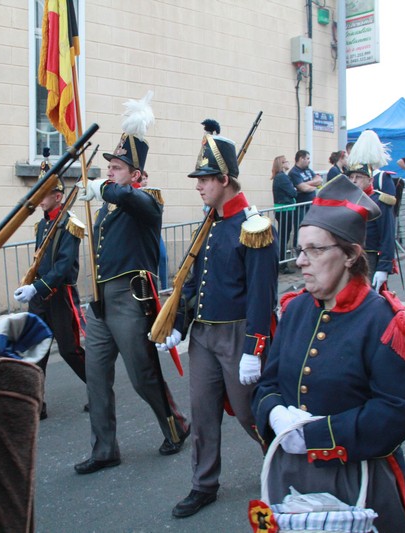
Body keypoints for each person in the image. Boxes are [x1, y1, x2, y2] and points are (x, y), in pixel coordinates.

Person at [252, 175, 405, 533]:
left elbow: (398, 411)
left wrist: (316, 435)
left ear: (351, 255)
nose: (301, 261)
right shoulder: (296, 309)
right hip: (291, 473)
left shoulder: (384, 320)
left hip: (358, 477)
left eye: (315, 250)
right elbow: (267, 384)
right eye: (300, 250)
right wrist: (274, 414)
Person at [160, 128, 278, 518]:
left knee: (249, 413)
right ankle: (203, 484)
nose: (199, 186)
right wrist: (179, 325)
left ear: (224, 179)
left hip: (237, 334)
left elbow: (262, 296)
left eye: (205, 179)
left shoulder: (253, 226)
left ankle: (284, 461)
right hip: (203, 335)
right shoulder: (211, 223)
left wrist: (254, 348)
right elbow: (194, 280)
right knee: (203, 413)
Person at [74, 93, 188, 475]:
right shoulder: (109, 208)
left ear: (136, 175)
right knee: (95, 377)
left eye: (118, 167)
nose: (110, 171)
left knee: (142, 375)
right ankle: (104, 448)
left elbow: (126, 198)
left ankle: (175, 425)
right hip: (101, 300)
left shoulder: (147, 200)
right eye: (109, 166)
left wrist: (102, 188)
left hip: (130, 298)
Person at [14, 175, 87, 420]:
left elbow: (63, 267)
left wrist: (37, 288)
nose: (39, 199)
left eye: (43, 194)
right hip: (39, 296)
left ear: (58, 196)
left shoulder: (70, 225)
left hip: (60, 296)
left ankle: (99, 390)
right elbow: (39, 262)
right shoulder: (42, 225)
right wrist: (30, 285)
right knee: (37, 351)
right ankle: (37, 404)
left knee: (69, 350)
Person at [348, 163, 395, 292]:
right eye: (351, 177)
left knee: (368, 297)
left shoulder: (380, 201)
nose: (354, 181)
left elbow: (387, 235)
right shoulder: (347, 200)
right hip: (349, 257)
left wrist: (383, 267)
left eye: (359, 177)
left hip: (370, 258)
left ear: (370, 180)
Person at [287, 150, 322, 248]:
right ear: (301, 159)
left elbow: (319, 180)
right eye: (307, 158)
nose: (309, 161)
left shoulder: (308, 170)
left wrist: (307, 183)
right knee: (300, 229)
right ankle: (298, 250)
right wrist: (313, 185)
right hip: (301, 206)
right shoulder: (294, 172)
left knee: (311, 228)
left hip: (311, 205)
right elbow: (303, 188)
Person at [271, 154, 297, 271]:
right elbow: (293, 192)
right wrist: (294, 189)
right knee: (284, 236)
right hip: (285, 209)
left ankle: (281, 261)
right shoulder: (282, 177)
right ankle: (281, 262)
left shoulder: (280, 177)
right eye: (285, 161)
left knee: (284, 235)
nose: (288, 163)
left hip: (284, 209)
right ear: (281, 164)